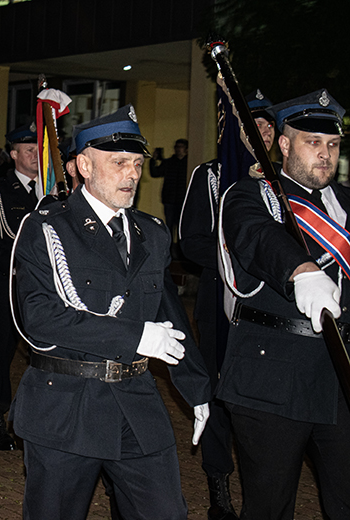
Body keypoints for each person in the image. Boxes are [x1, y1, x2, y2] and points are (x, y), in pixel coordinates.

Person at [10, 105, 211, 519]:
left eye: (137, 164)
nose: (132, 174)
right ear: (83, 165)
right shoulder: (47, 228)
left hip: (136, 403)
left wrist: (197, 389)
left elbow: (169, 315)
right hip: (66, 406)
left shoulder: (151, 233)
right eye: (118, 162)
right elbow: (39, 317)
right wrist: (133, 336)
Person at [218, 89, 350, 518]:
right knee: (270, 508)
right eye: (313, 142)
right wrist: (302, 271)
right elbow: (256, 235)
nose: (324, 154)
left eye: (332, 145)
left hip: (341, 376)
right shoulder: (253, 195)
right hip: (272, 378)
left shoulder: (348, 203)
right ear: (284, 143)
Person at [179, 89, 276, 520]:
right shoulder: (211, 175)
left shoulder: (283, 181)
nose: (263, 133)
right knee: (219, 391)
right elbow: (190, 240)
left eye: (270, 126)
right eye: (253, 123)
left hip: (274, 310)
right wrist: (234, 263)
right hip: (221, 300)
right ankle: (219, 485)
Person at [0, 122, 42, 451]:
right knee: (1, 351)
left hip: (46, 290)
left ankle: (40, 420)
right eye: (28, 150)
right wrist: (20, 266)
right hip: (11, 284)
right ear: (13, 154)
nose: (34, 155)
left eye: (38, 149)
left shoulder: (52, 192)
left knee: (45, 354)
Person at [150, 138, 188, 236]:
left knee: (182, 228)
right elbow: (155, 173)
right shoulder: (169, 162)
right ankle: (170, 250)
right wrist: (153, 160)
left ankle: (179, 250)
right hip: (170, 199)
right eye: (177, 147)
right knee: (170, 227)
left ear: (186, 149)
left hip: (183, 200)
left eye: (181, 147)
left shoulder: (189, 163)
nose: (178, 149)